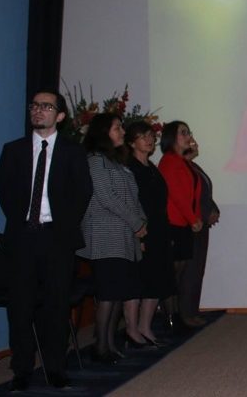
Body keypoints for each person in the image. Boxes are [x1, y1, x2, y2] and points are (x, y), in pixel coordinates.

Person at [0, 90, 93, 391]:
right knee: (20, 306)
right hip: (22, 237)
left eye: (46, 107)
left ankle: (55, 368)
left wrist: (62, 226)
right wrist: (24, 221)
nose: (38, 110)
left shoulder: (73, 152)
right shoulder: (13, 150)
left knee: (56, 306)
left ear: (60, 116)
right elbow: (4, 191)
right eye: (35, 106)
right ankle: (21, 369)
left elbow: (83, 192)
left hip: (57, 238)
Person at [77, 113, 151, 362]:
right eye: (117, 128)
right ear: (103, 132)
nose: (122, 132)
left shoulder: (118, 163)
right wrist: (135, 222)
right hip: (105, 236)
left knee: (118, 292)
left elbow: (134, 198)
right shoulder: (95, 160)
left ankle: (110, 344)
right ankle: (100, 347)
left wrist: (141, 222)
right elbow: (106, 196)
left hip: (123, 237)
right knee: (108, 294)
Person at [125, 121, 176, 344]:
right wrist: (139, 233)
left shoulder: (151, 167)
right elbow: (131, 204)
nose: (149, 140)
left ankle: (145, 327)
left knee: (157, 278)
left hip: (159, 229)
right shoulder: (129, 168)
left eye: (150, 136)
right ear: (131, 142)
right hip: (142, 230)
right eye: (143, 136)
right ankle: (132, 329)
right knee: (141, 280)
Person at [158, 121, 204, 329]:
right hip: (174, 223)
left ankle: (178, 316)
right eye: (183, 133)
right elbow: (177, 195)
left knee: (180, 271)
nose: (188, 136)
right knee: (172, 273)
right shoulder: (169, 162)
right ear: (171, 137)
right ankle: (171, 318)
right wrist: (192, 218)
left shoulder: (181, 161)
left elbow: (193, 193)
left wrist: (195, 217)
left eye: (188, 132)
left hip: (183, 223)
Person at [181, 139, 220, 327]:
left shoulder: (193, 166)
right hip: (191, 224)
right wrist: (203, 215)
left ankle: (193, 310)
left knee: (197, 269)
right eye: (190, 141)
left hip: (201, 223)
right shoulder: (182, 168)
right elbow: (187, 198)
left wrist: (213, 210)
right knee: (190, 271)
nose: (195, 144)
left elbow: (205, 195)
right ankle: (186, 313)